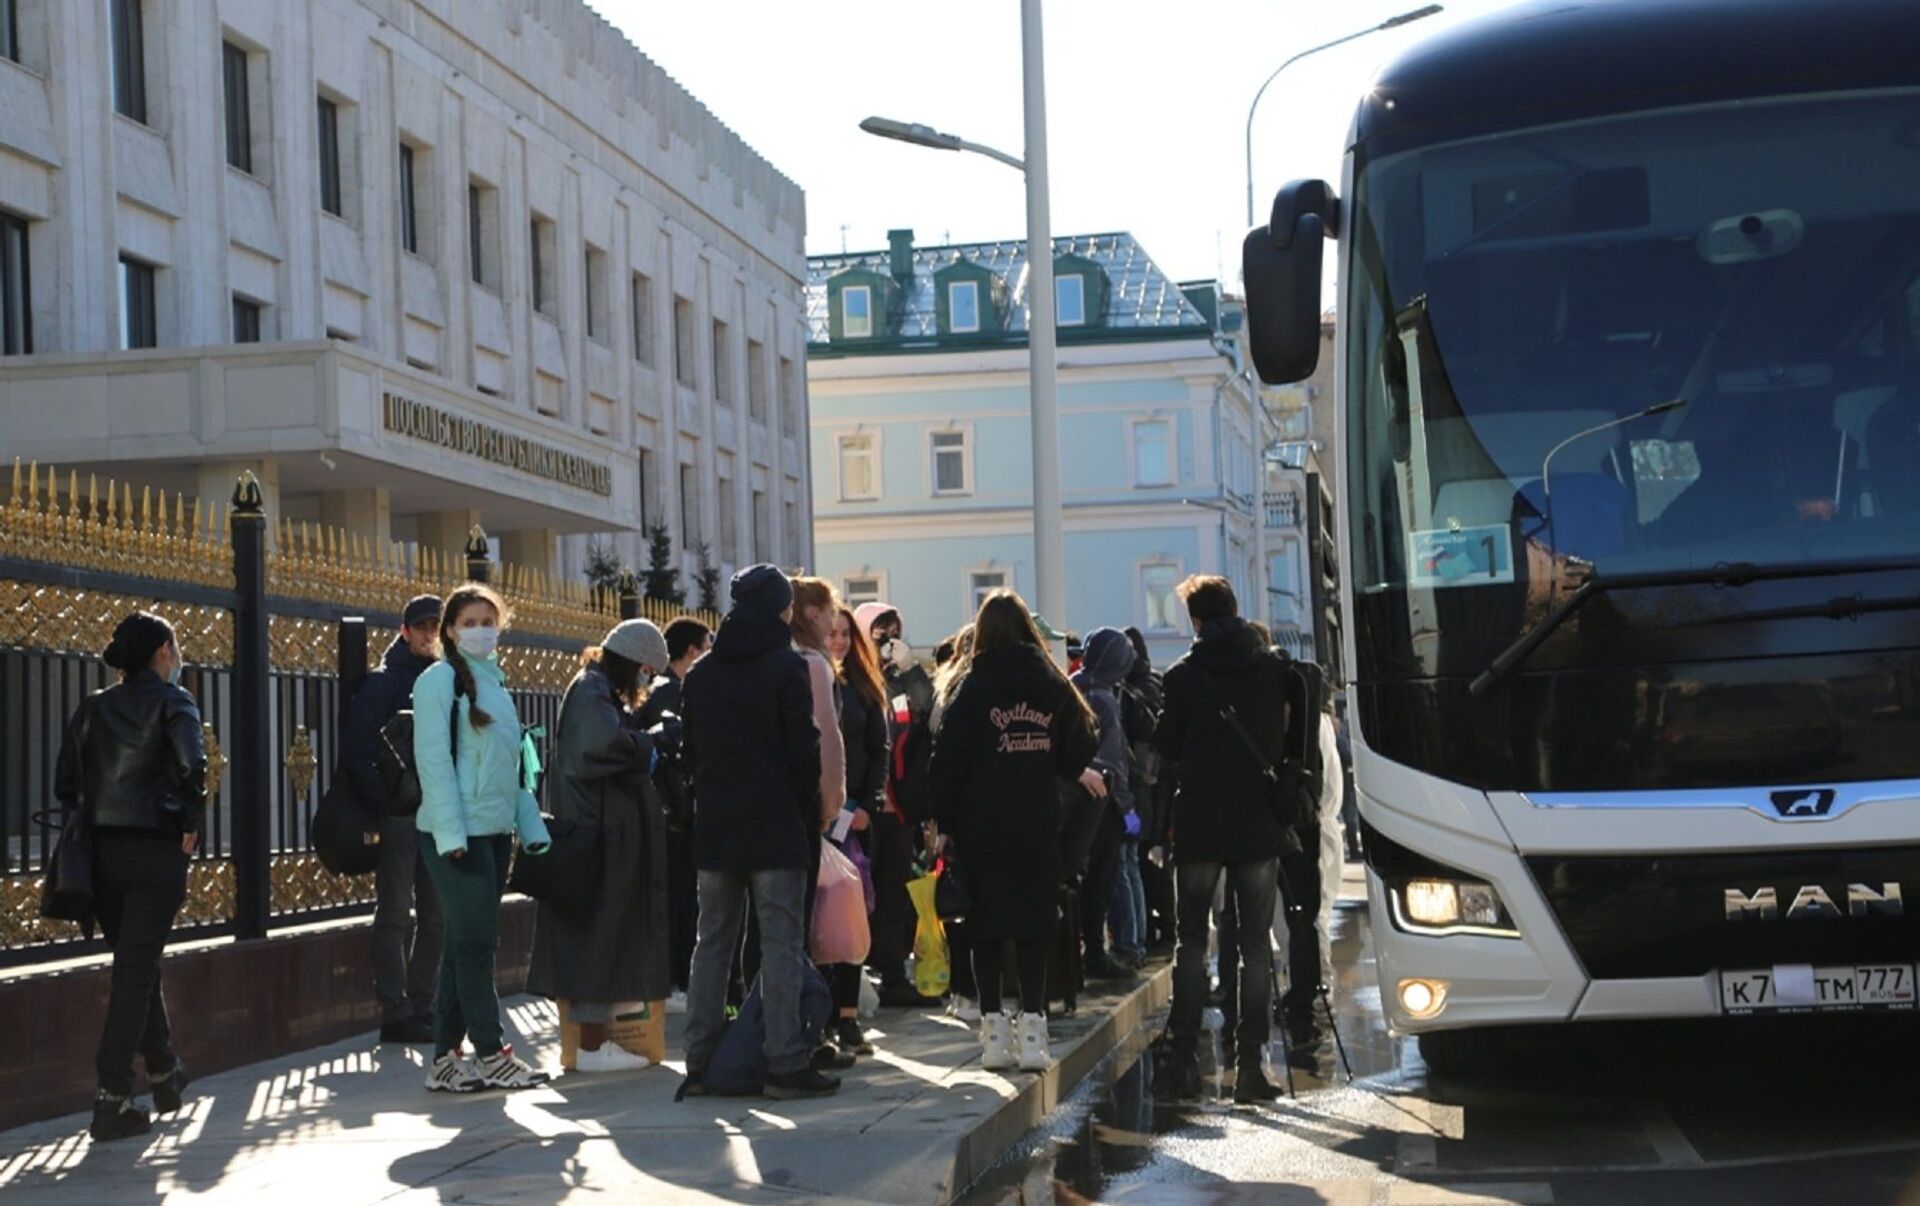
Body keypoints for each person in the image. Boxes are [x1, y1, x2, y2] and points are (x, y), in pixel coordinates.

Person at [680, 566, 841, 1100]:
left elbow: (690, 754)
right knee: (779, 944)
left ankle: (700, 1061)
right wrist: (807, 810)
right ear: (782, 610)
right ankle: (785, 1062)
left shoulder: (702, 673)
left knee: (712, 943)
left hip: (717, 829)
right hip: (774, 827)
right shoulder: (785, 667)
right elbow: (803, 749)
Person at [929, 591, 1099, 1074]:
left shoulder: (971, 684)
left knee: (985, 928)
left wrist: (941, 822)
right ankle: (1032, 1031)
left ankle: (992, 1035)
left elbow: (948, 760)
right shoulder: (1051, 681)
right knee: (1032, 928)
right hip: (1036, 820)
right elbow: (1080, 745)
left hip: (980, 823)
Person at [55, 612, 206, 1141]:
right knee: (135, 971)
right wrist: (190, 821)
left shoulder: (94, 707)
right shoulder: (174, 701)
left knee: (136, 965)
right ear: (163, 650)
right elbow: (194, 767)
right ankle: (111, 1096)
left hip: (101, 858)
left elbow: (64, 782)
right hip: (154, 854)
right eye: (176, 646)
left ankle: (164, 1073)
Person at [1154, 576, 1297, 1105]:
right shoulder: (1273, 669)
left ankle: (1184, 1059)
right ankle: (1250, 1067)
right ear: (1237, 611)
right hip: (1258, 823)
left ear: (1195, 622)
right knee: (1254, 944)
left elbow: (1166, 745)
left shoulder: (1183, 677)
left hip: (1200, 824)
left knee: (1192, 941)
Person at [414, 584, 553, 1093]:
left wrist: (530, 828)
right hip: (455, 836)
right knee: (477, 944)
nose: (479, 630)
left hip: (492, 834)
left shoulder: (494, 683)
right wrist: (452, 835)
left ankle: (445, 1061)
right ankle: (491, 1052)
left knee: (460, 944)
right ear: (449, 630)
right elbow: (434, 762)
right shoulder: (438, 681)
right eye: (468, 622)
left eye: (487, 621)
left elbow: (513, 768)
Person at [527, 619, 672, 1073]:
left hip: (602, 831)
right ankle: (590, 1047)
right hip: (597, 835)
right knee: (595, 934)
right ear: (632, 662)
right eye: (647, 671)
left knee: (602, 932)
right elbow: (601, 747)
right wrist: (648, 743)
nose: (647, 681)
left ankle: (593, 1041)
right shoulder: (591, 692)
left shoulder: (597, 690)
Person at [339, 593, 444, 1045]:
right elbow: (359, 751)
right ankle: (395, 1009)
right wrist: (387, 802)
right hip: (401, 817)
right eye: (421, 627)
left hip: (439, 813)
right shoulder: (383, 684)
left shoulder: (445, 679)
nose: (428, 635)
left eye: (435, 627)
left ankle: (423, 1004)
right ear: (405, 631)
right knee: (396, 911)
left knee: (438, 914)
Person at [854, 602, 941, 1008]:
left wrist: (910, 671)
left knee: (892, 893)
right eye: (879, 630)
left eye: (893, 630)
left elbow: (926, 714)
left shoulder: (901, 680)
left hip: (899, 806)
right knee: (857, 896)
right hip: (861, 807)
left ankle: (891, 972)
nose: (888, 638)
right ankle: (855, 974)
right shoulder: (854, 677)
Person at [823, 604, 888, 1058]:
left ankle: (847, 1016)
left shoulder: (864, 689)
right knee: (817, 919)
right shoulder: (807, 679)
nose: (840, 641)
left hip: (853, 819)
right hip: (817, 818)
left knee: (849, 917)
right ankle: (822, 1013)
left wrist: (868, 804)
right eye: (833, 633)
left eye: (846, 633)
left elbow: (877, 751)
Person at [638, 616, 711, 1014]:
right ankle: (674, 979)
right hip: (674, 815)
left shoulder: (667, 689)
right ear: (692, 652)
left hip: (671, 813)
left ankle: (675, 978)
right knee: (680, 899)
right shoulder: (670, 692)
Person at [1275, 690, 1348, 1061]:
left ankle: (1317, 994)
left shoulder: (1307, 725)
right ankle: (1316, 992)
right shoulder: (1318, 723)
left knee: (1306, 920)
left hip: (1312, 828)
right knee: (1309, 918)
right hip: (1318, 826)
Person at [1070, 629, 1138, 981]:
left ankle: (1078, 949)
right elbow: (1114, 760)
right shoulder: (1105, 699)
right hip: (1102, 802)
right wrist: (1127, 807)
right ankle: (1097, 952)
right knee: (1101, 880)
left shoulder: (1070, 686)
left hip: (1070, 798)